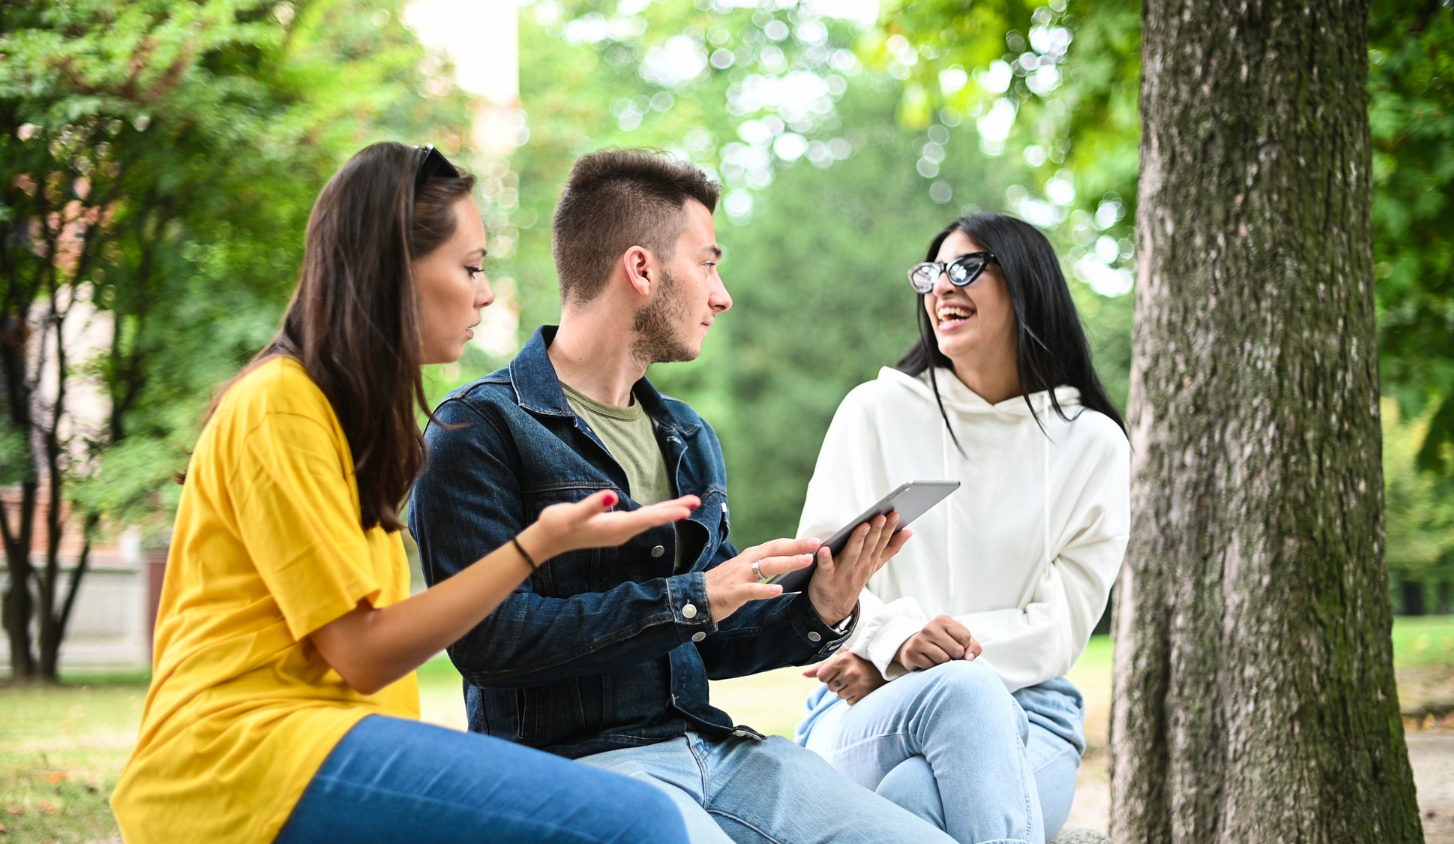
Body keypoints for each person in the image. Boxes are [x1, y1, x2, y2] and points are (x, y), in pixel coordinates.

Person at [111, 142, 698, 844]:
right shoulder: (280, 405)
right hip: (243, 759)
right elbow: (362, 653)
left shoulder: (345, 417)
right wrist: (536, 545)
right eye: (471, 267)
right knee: (640, 823)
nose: (484, 292)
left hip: (324, 746)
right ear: (392, 271)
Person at [408, 149, 958, 844]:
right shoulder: (478, 428)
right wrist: (692, 596)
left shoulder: (685, 435)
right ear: (642, 269)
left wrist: (822, 605)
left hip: (718, 754)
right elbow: (490, 642)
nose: (722, 295)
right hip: (578, 771)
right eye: (708, 264)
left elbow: (711, 640)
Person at [792, 213, 1131, 844]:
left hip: (1030, 713)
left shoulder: (1092, 444)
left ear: (1027, 283)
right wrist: (895, 646)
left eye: (966, 268)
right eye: (931, 273)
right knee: (955, 706)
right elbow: (821, 574)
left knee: (914, 794)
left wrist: (924, 660)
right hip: (863, 706)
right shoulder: (875, 412)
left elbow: (1060, 626)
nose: (942, 287)